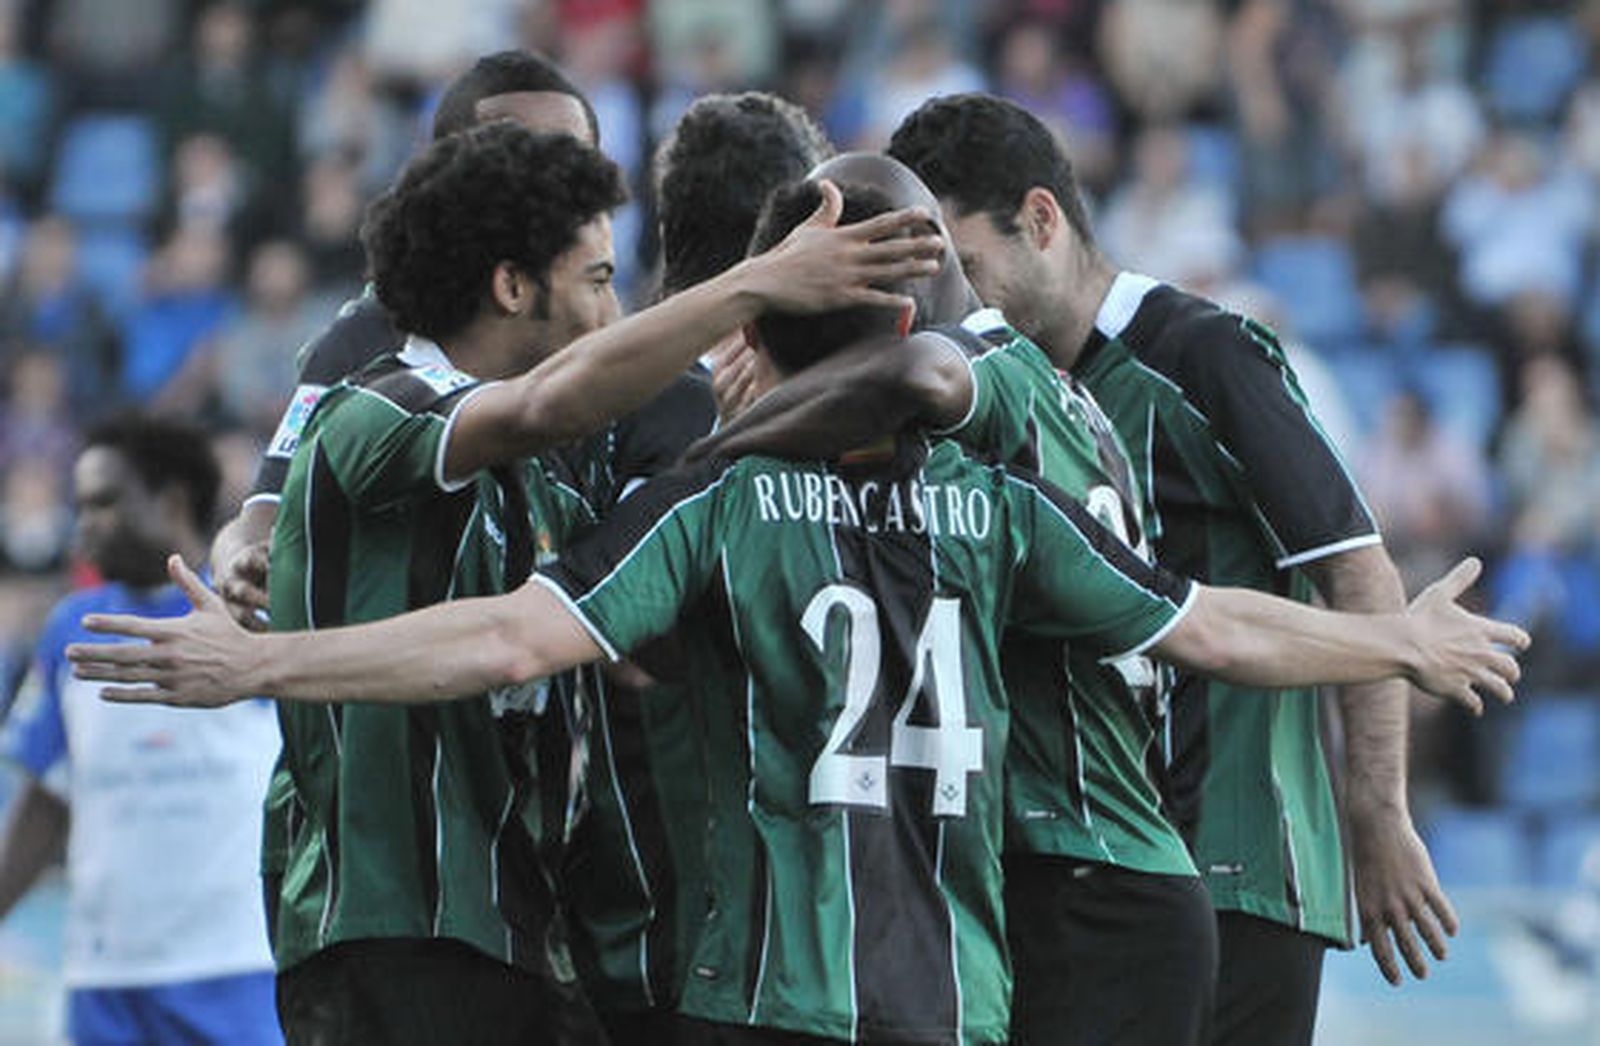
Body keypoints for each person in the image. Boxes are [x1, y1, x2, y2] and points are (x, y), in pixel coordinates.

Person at [71, 181, 1527, 1045]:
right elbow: (1214, 623)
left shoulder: (713, 503)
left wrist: (265, 660)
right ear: (906, 323)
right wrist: (1401, 638)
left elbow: (510, 637)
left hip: (769, 983)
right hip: (956, 985)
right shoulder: (1007, 509)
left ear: (756, 344)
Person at [885, 92, 1451, 1042]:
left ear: (1041, 219)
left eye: (966, 266)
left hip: (1239, 869)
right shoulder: (990, 394)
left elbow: (1359, 576)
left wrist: (1378, 810)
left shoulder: (1203, 357)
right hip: (1084, 876)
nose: (955, 301)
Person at [690, 150, 1220, 1044]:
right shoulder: (1073, 395)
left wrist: (715, 452)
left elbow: (915, 379)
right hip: (1111, 857)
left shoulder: (978, 368)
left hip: (1077, 865)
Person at [558, 89, 835, 1043]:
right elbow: (642, 640)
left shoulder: (593, 389)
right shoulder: (827, 402)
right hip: (735, 917)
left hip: (628, 908)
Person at [208, 48, 603, 632]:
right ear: (452, 172)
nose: (560, 183)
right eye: (529, 157)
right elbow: (262, 516)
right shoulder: (368, 336)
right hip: (419, 687)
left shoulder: (619, 345)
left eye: (577, 159)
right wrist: (237, 562)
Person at [0, 416, 280, 1045]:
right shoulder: (70, 629)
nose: (84, 524)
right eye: (79, 506)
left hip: (238, 967)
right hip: (105, 976)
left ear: (172, 500)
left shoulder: (254, 611)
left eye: (103, 502)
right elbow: (49, 796)